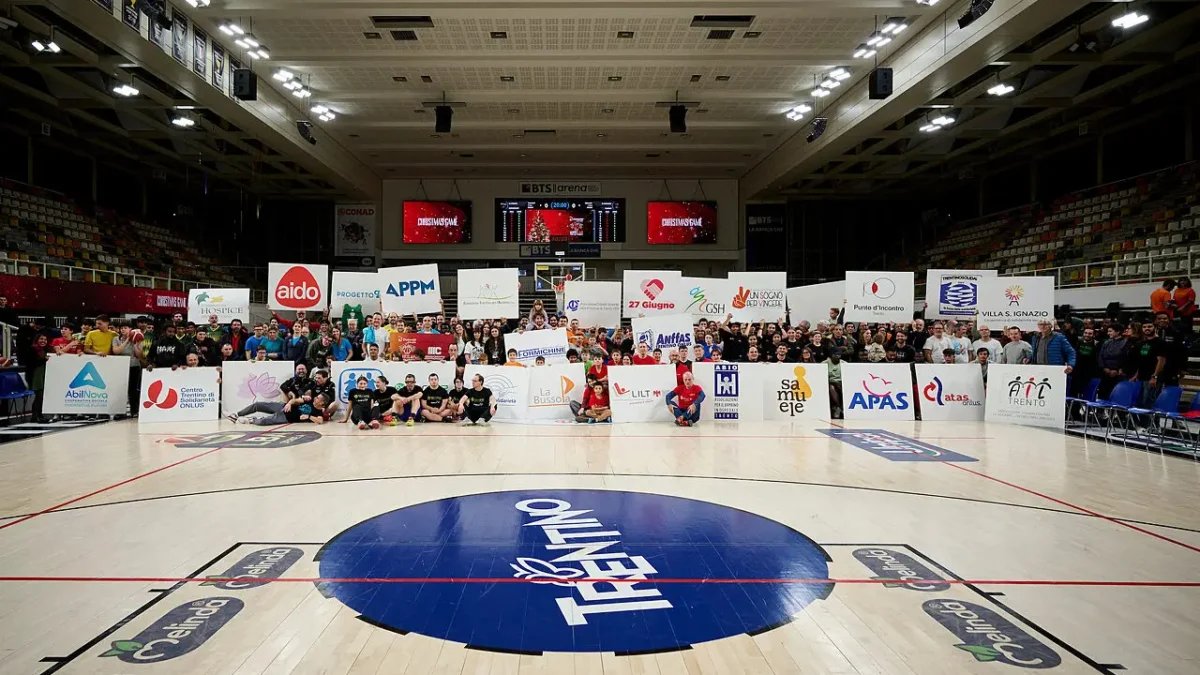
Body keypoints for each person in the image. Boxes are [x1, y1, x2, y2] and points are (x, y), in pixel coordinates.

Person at [111, 321, 146, 417]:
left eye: (125, 328)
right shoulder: (116, 339)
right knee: (120, 389)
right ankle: (119, 412)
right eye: (121, 328)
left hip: (134, 366)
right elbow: (116, 351)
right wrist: (127, 340)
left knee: (133, 390)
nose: (123, 330)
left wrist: (135, 343)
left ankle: (135, 411)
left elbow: (139, 355)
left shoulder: (138, 338)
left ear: (130, 329)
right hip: (121, 367)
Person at [1128, 321, 1167, 406]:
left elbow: (1161, 361)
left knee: (1148, 404)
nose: (1147, 329)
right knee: (1138, 404)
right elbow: (1142, 361)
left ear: (1155, 328)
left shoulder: (1160, 342)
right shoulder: (1143, 342)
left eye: (1149, 326)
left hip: (1152, 378)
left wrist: (1155, 376)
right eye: (1144, 327)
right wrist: (1136, 375)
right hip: (1141, 377)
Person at [229, 394, 329, 425]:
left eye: (318, 398)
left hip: (286, 417)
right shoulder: (309, 400)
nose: (315, 398)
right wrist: (289, 403)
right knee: (258, 405)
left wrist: (309, 416)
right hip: (283, 407)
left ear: (322, 403)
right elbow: (295, 400)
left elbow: (320, 421)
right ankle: (237, 414)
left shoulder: (318, 412)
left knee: (262, 422)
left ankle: (252, 420)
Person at [1097, 324, 1128, 398]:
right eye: (1108, 331)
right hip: (1105, 373)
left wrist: (1118, 370)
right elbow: (1100, 356)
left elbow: (1126, 358)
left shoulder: (1125, 343)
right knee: (1102, 394)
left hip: (1118, 374)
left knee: (1115, 396)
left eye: (1110, 331)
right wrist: (1104, 368)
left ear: (1118, 332)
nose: (1108, 333)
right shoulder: (1106, 342)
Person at [1071, 327, 1099, 396]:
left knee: (1086, 393)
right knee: (1073, 392)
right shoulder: (1078, 342)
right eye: (1085, 333)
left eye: (1090, 333)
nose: (1087, 335)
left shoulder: (1097, 345)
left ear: (1093, 335)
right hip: (1076, 372)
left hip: (1088, 374)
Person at [827, 347, 843, 418]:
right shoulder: (825, 363)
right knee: (832, 387)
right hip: (830, 382)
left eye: (839, 354)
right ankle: (839, 406)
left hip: (841, 382)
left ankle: (839, 408)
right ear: (831, 355)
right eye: (836, 354)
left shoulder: (844, 363)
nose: (838, 356)